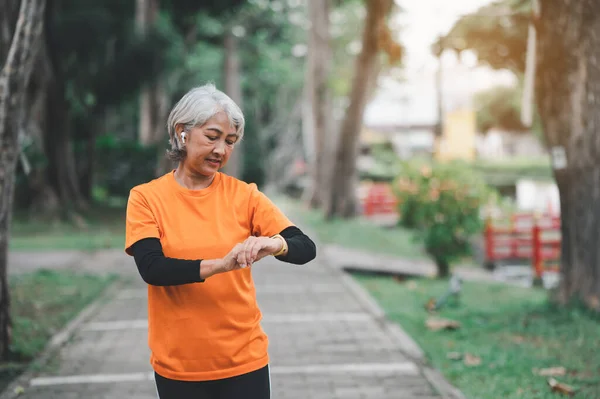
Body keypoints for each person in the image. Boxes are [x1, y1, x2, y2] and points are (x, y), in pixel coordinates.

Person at [124, 83, 317, 399]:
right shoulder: (146, 198)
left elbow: (304, 247)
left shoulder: (244, 195)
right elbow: (152, 268)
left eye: (230, 142)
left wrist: (275, 244)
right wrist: (221, 265)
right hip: (179, 366)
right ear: (182, 132)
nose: (220, 150)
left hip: (245, 360)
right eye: (212, 137)